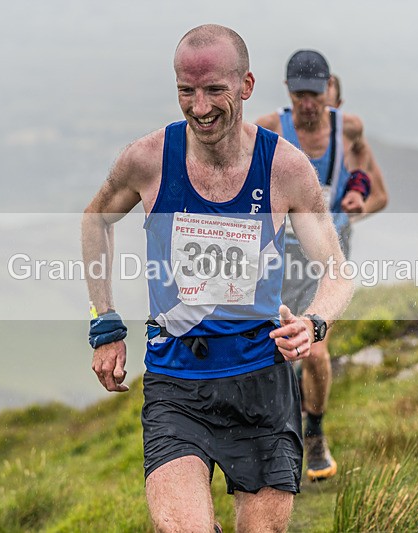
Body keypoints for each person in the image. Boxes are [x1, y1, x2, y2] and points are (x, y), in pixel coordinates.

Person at [82, 26, 353, 532]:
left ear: (246, 85)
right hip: (177, 385)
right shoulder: (149, 159)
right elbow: (96, 218)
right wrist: (105, 323)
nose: (200, 107)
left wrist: (314, 323)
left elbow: (337, 273)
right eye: (187, 90)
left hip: (261, 385)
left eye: (215, 91)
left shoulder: (285, 169)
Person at [256, 51, 387, 482]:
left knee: (313, 346)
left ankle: (314, 435)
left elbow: (368, 181)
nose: (307, 105)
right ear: (288, 92)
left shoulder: (348, 128)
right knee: (271, 345)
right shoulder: (269, 128)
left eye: (314, 95)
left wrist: (356, 199)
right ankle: (277, 435)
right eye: (299, 96)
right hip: (280, 251)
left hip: (328, 254)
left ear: (328, 90)